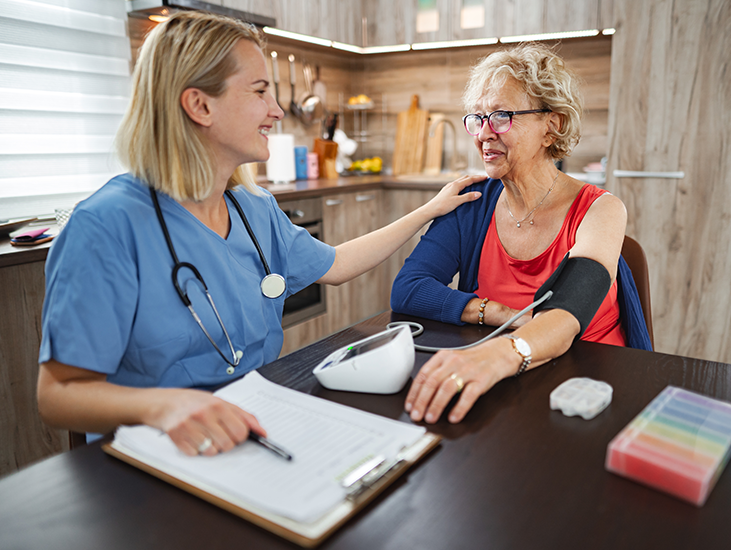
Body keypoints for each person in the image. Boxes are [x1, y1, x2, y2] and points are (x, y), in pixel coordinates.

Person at [36, 11, 483, 457]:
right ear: (200, 105)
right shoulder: (106, 227)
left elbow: (338, 263)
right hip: (153, 454)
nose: (276, 110)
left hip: (252, 430)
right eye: (259, 91)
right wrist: (163, 407)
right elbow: (57, 395)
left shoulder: (254, 208)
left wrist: (429, 210)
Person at [391, 42, 651, 426]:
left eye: (501, 116)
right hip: (506, 386)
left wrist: (497, 355)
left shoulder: (601, 210)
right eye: (478, 118)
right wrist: (501, 314)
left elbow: (566, 313)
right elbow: (408, 288)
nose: (484, 133)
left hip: (590, 391)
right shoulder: (472, 203)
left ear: (551, 126)